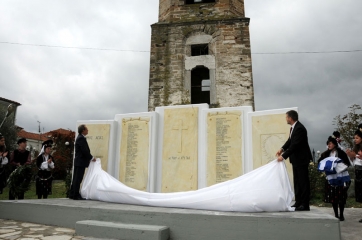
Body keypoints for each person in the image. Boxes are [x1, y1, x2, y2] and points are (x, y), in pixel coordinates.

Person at [276, 110, 313, 211]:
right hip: (296, 160)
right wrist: (282, 149)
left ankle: (305, 204)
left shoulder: (300, 128)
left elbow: (295, 145)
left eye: (287, 117)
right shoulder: (294, 128)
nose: (286, 119)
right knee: (297, 181)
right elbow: (290, 141)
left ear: (290, 118)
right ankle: (298, 202)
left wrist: (283, 156)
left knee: (303, 182)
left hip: (301, 159)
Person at [318, 136, 351, 221]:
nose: (329, 145)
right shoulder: (325, 154)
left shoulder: (341, 153)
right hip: (331, 178)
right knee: (333, 197)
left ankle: (341, 214)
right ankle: (336, 214)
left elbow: (347, 163)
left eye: (330, 143)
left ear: (335, 144)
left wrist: (337, 167)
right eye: (328, 144)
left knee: (341, 196)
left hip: (340, 177)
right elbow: (320, 163)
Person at [69, 125, 96, 200]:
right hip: (80, 162)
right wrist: (91, 158)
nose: (88, 130)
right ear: (83, 130)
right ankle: (75, 195)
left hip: (79, 162)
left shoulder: (80, 138)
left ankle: (72, 194)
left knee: (76, 178)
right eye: (86, 129)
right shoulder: (81, 138)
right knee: (78, 179)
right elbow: (84, 150)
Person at [346, 124, 362, 222]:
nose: (355, 139)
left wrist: (356, 156)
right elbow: (353, 162)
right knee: (360, 194)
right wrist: (351, 156)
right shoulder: (356, 148)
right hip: (358, 172)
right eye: (354, 138)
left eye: (357, 138)